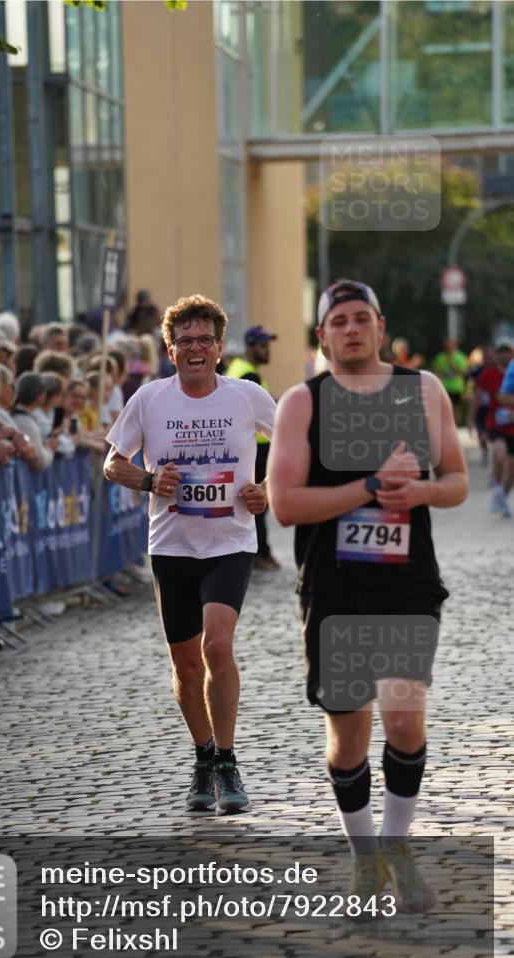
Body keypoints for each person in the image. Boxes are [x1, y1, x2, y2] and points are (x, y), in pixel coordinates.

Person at [267, 279, 468, 910]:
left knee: (405, 718)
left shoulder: (424, 390)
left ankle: (398, 849)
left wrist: (424, 493)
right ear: (322, 335)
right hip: (334, 588)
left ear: (380, 326)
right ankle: (364, 858)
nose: (351, 329)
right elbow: (284, 505)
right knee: (349, 733)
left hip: (409, 584)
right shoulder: (302, 403)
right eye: (338, 321)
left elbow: (457, 479)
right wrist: (371, 486)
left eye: (362, 318)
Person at [104, 294, 275, 815]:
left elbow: (296, 444)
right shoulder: (150, 399)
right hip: (172, 546)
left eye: (205, 340)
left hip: (230, 542)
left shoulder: (247, 396)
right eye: (185, 341)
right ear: (170, 349)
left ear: (219, 349)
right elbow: (114, 464)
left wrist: (267, 488)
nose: (195, 348)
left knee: (217, 647)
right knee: (184, 664)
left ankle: (227, 759)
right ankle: (203, 755)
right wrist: (151, 479)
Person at [226, 325, 280, 571]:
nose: (267, 350)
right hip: (256, 448)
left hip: (253, 445)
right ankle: (260, 553)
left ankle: (260, 552)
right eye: (262, 345)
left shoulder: (241, 369)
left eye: (268, 345)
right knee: (258, 498)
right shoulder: (249, 375)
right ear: (249, 348)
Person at [476, 340, 514, 518]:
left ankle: (501, 496)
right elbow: (483, 397)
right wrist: (474, 422)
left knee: (512, 468)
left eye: (508, 352)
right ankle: (498, 484)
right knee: (500, 453)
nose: (505, 355)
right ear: (497, 355)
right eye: (501, 352)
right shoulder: (488, 373)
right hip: (495, 423)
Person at [432, 336, 469, 424]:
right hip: (443, 387)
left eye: (450, 344)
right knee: (443, 409)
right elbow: (436, 371)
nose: (449, 346)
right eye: (447, 344)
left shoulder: (460, 357)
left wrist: (450, 364)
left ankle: (456, 427)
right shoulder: (440, 357)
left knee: (456, 409)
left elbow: (463, 372)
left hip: (456, 387)